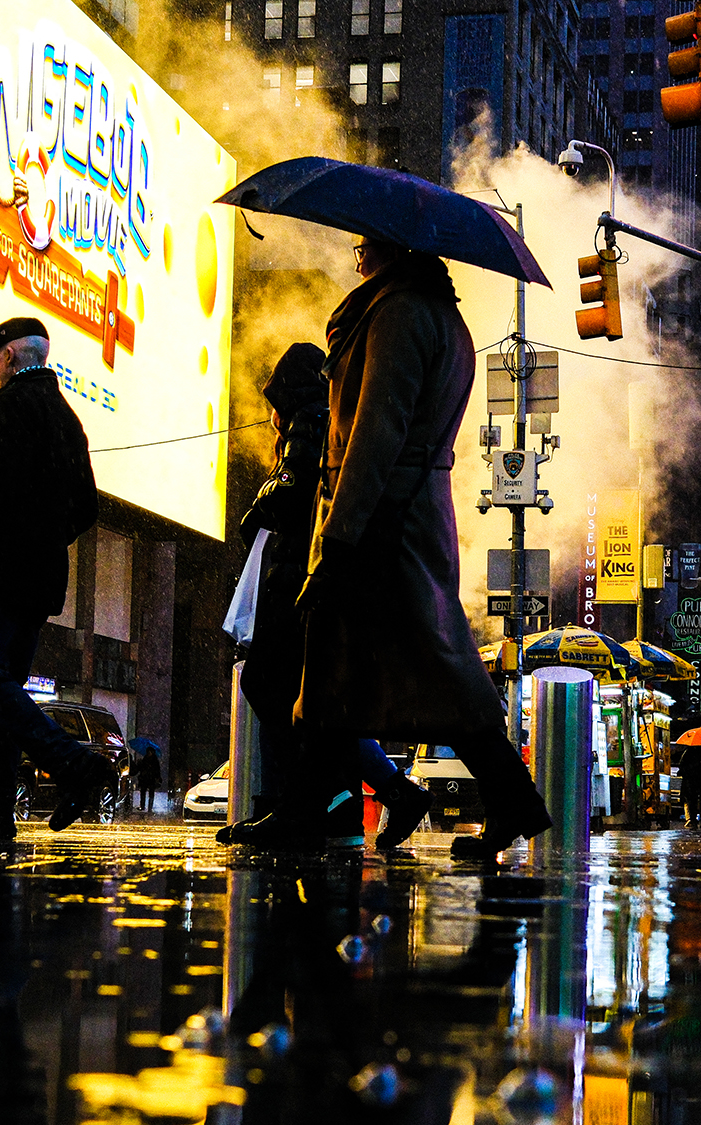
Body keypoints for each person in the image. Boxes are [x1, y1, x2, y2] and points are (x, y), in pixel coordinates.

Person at [292, 235, 551, 860]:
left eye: (363, 243)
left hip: (387, 515)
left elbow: (376, 432)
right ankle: (507, 802)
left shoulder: (399, 313)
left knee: (397, 668)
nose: (355, 253)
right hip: (410, 508)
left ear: (391, 248)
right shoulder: (436, 315)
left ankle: (309, 815)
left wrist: (340, 532)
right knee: (406, 668)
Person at [217, 344, 432, 852]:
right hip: (325, 575)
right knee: (310, 700)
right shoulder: (336, 418)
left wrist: (258, 507)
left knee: (270, 684)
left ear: (285, 392)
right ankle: (348, 800)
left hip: (298, 578)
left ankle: (291, 807)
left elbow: (290, 495)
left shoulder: (307, 422)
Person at [0, 317, 116, 841]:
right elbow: (85, 506)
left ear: (10, 358)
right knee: (4, 683)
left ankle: (73, 763)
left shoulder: (11, 406)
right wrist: (44, 537)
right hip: (38, 580)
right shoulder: (66, 417)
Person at [673, 737, 701, 828]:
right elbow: (682, 766)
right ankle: (695, 820)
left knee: (700, 800)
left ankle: (700, 820)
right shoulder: (690, 752)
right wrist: (698, 766)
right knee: (695, 800)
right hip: (693, 780)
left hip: (699, 780)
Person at [134, 745, 162, 813]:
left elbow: (157, 770)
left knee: (150, 793)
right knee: (143, 792)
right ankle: (143, 806)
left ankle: (150, 808)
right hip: (144, 779)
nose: (148, 753)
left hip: (151, 779)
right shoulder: (145, 759)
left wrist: (156, 777)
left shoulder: (154, 761)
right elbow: (141, 768)